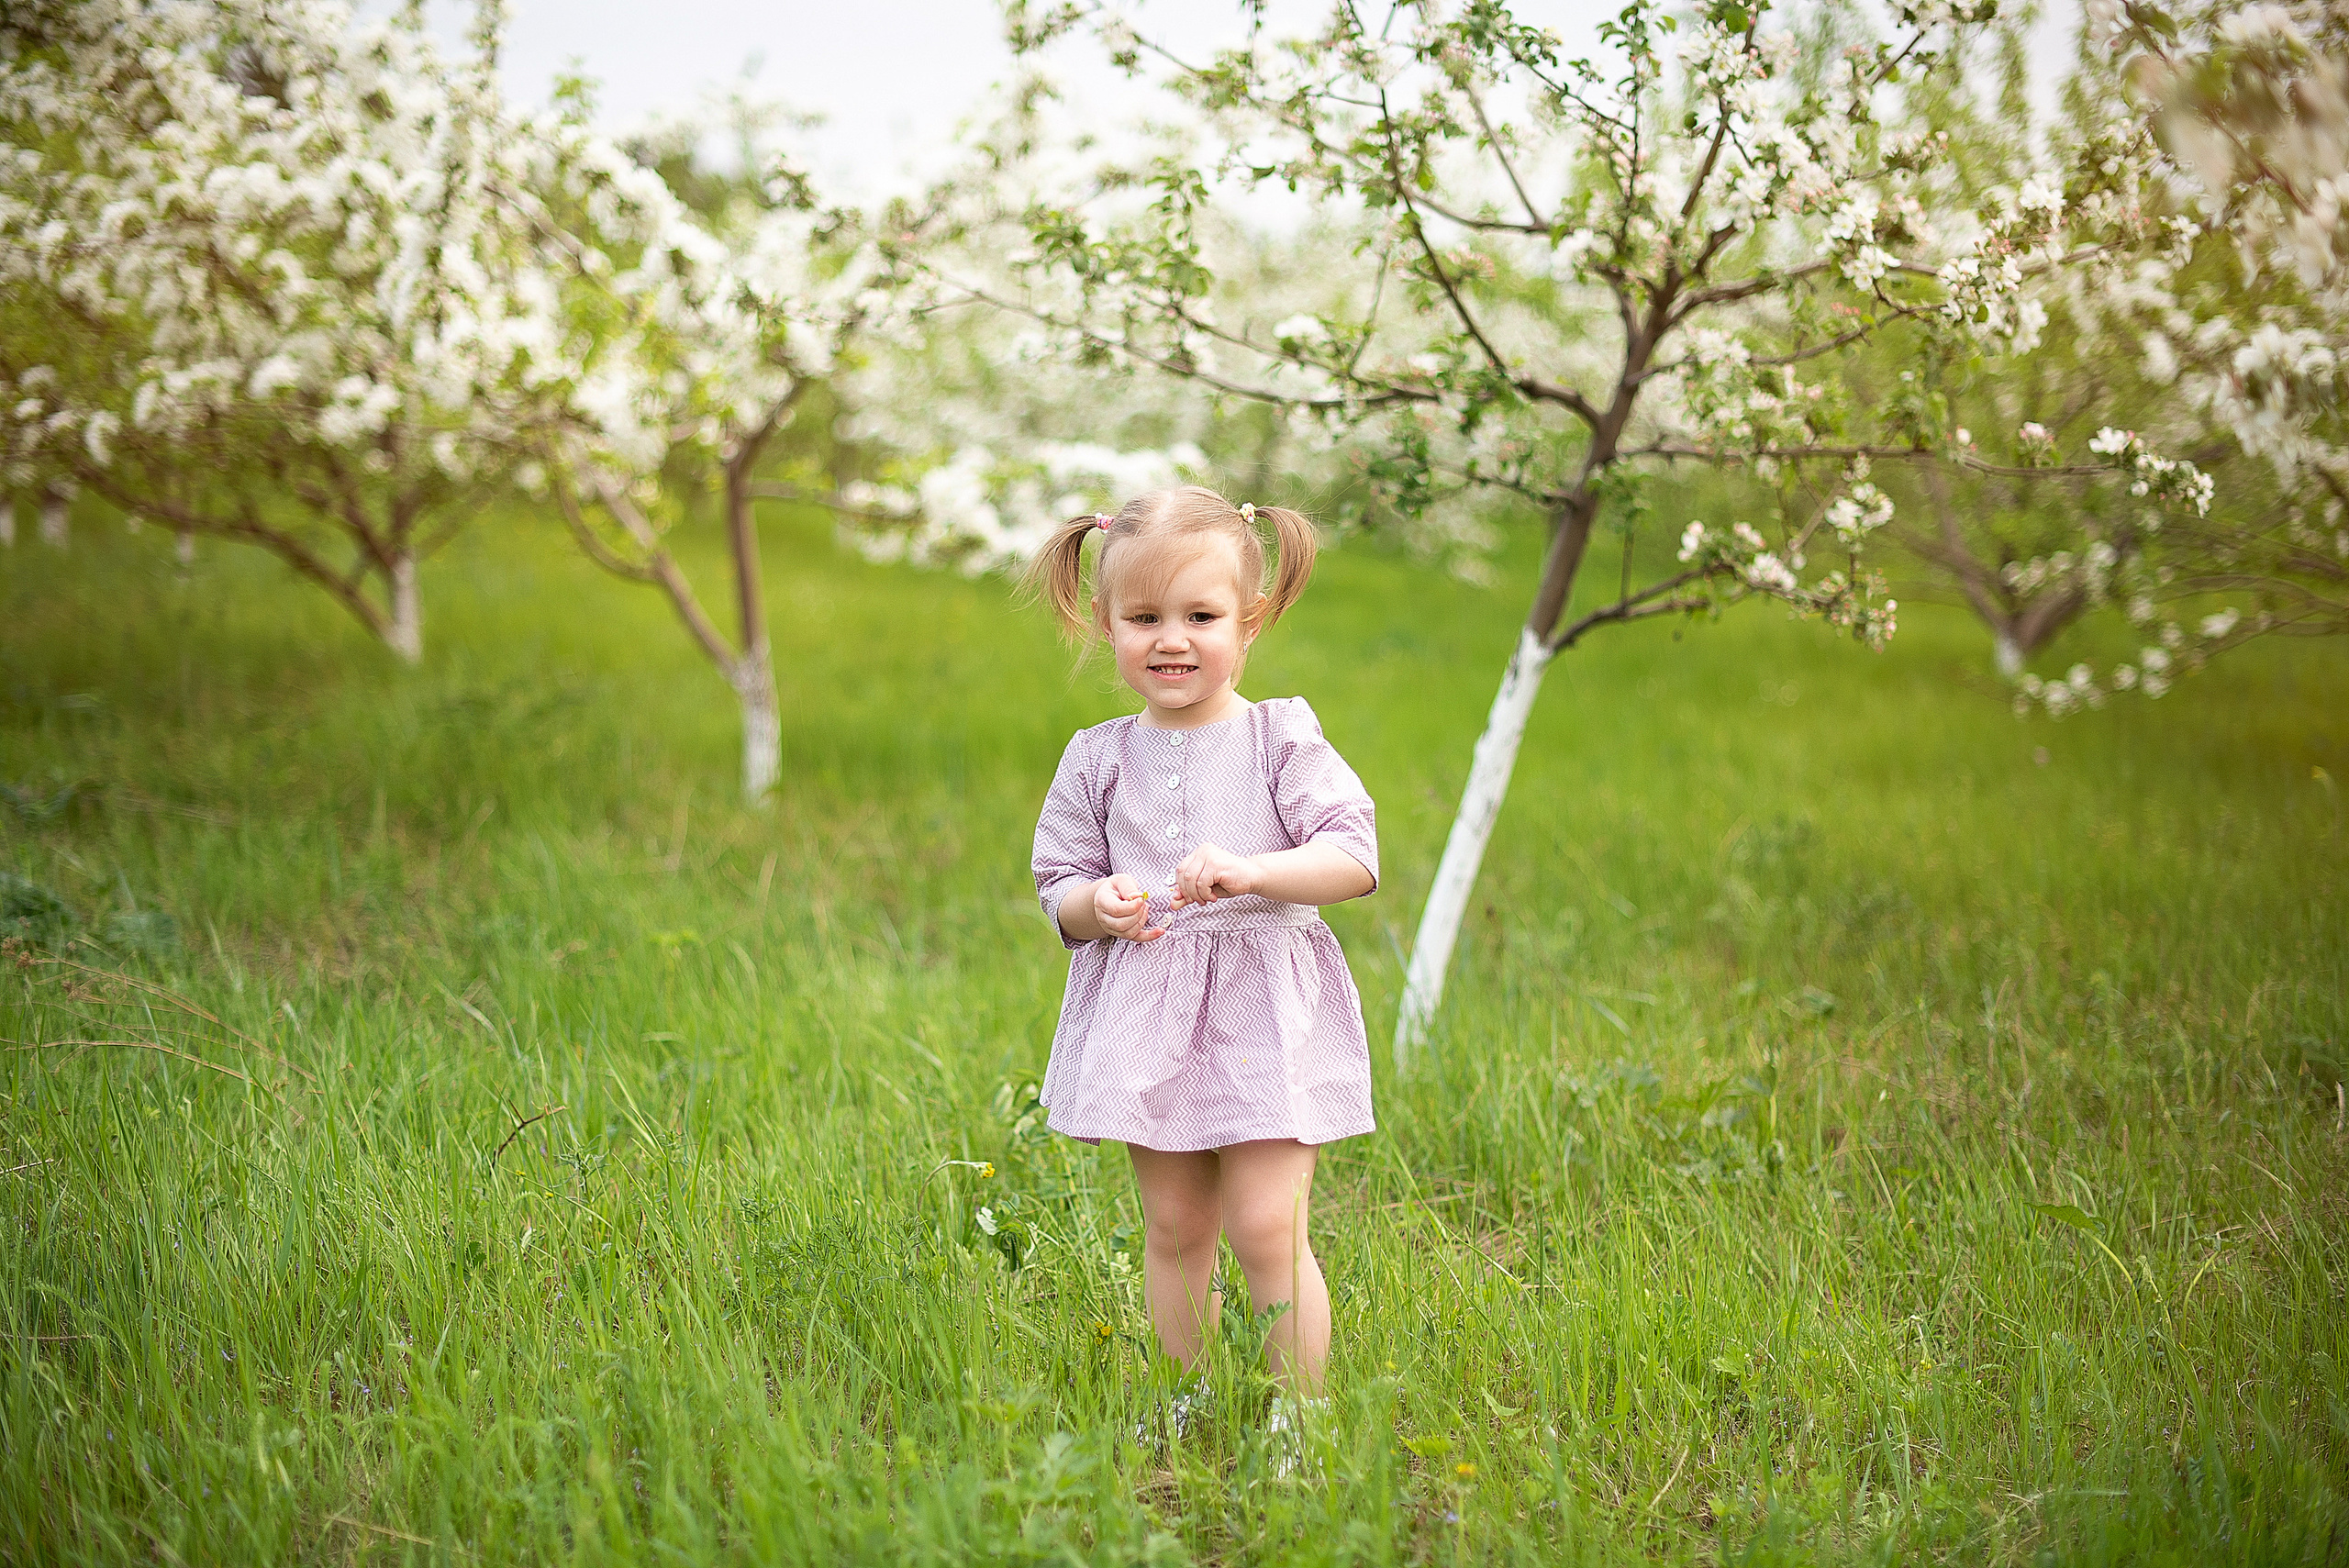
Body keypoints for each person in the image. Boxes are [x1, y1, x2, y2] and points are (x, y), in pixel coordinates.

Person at [1025, 484, 1380, 1442]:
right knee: (1176, 1227)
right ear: (1105, 622)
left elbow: (1353, 855)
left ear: (1250, 620)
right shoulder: (1097, 757)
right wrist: (1094, 905)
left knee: (1267, 1223)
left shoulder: (1279, 737)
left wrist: (1254, 867)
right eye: (1143, 618)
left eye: (1201, 615)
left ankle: (1298, 1422)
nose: (1170, 639)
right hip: (1151, 1013)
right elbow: (1055, 879)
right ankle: (1178, 1402)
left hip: (1263, 1010)